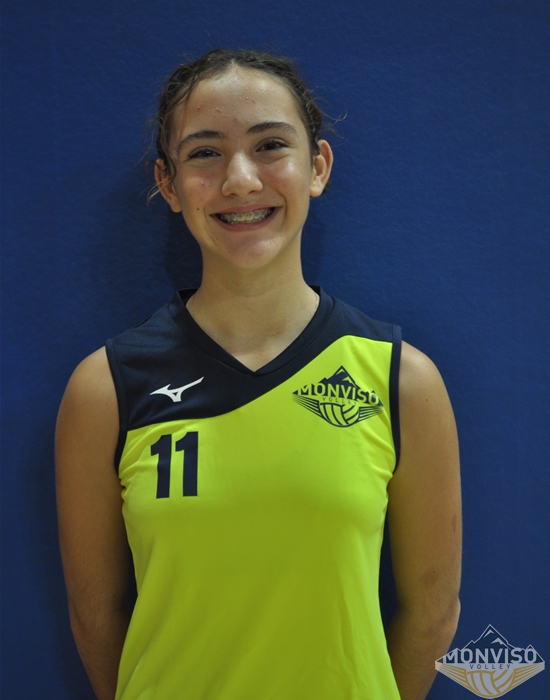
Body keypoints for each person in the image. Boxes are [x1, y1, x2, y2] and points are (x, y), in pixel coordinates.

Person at [56, 49, 461, 700]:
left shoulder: (401, 380)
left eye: (270, 145)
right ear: (168, 184)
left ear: (317, 167)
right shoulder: (106, 389)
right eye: (204, 153)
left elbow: (433, 613)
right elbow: (95, 615)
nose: (240, 180)